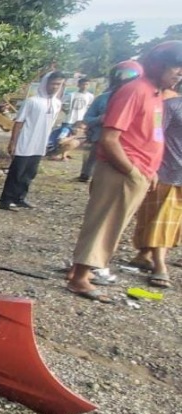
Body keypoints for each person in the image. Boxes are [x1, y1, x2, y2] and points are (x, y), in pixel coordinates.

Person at [66, 41, 182, 302]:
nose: (179, 73)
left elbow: (149, 135)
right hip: (121, 169)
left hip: (138, 171)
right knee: (103, 223)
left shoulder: (154, 94)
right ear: (159, 65)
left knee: (113, 225)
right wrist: (131, 170)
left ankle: (83, 271)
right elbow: (109, 138)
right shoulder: (136, 91)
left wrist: (149, 170)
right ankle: (79, 278)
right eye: (176, 67)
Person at [130, 85, 182, 288]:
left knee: (170, 221)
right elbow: (155, 135)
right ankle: (160, 266)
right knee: (161, 220)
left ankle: (143, 255)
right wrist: (151, 166)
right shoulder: (169, 107)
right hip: (167, 171)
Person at [0, 71, 65, 211]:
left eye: (58, 84)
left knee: (30, 173)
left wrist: (47, 142)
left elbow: (51, 125)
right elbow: (19, 122)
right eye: (53, 83)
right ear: (45, 83)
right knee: (17, 172)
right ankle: (6, 200)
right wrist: (13, 142)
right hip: (25, 142)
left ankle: (20, 198)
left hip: (40, 144)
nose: (55, 87)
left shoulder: (57, 103)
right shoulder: (32, 101)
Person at [78, 62, 144, 182]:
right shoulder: (102, 99)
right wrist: (101, 119)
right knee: (100, 178)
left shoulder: (143, 100)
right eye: (121, 76)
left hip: (129, 147)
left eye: (129, 77)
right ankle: (86, 174)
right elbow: (87, 119)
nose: (124, 80)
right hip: (100, 141)